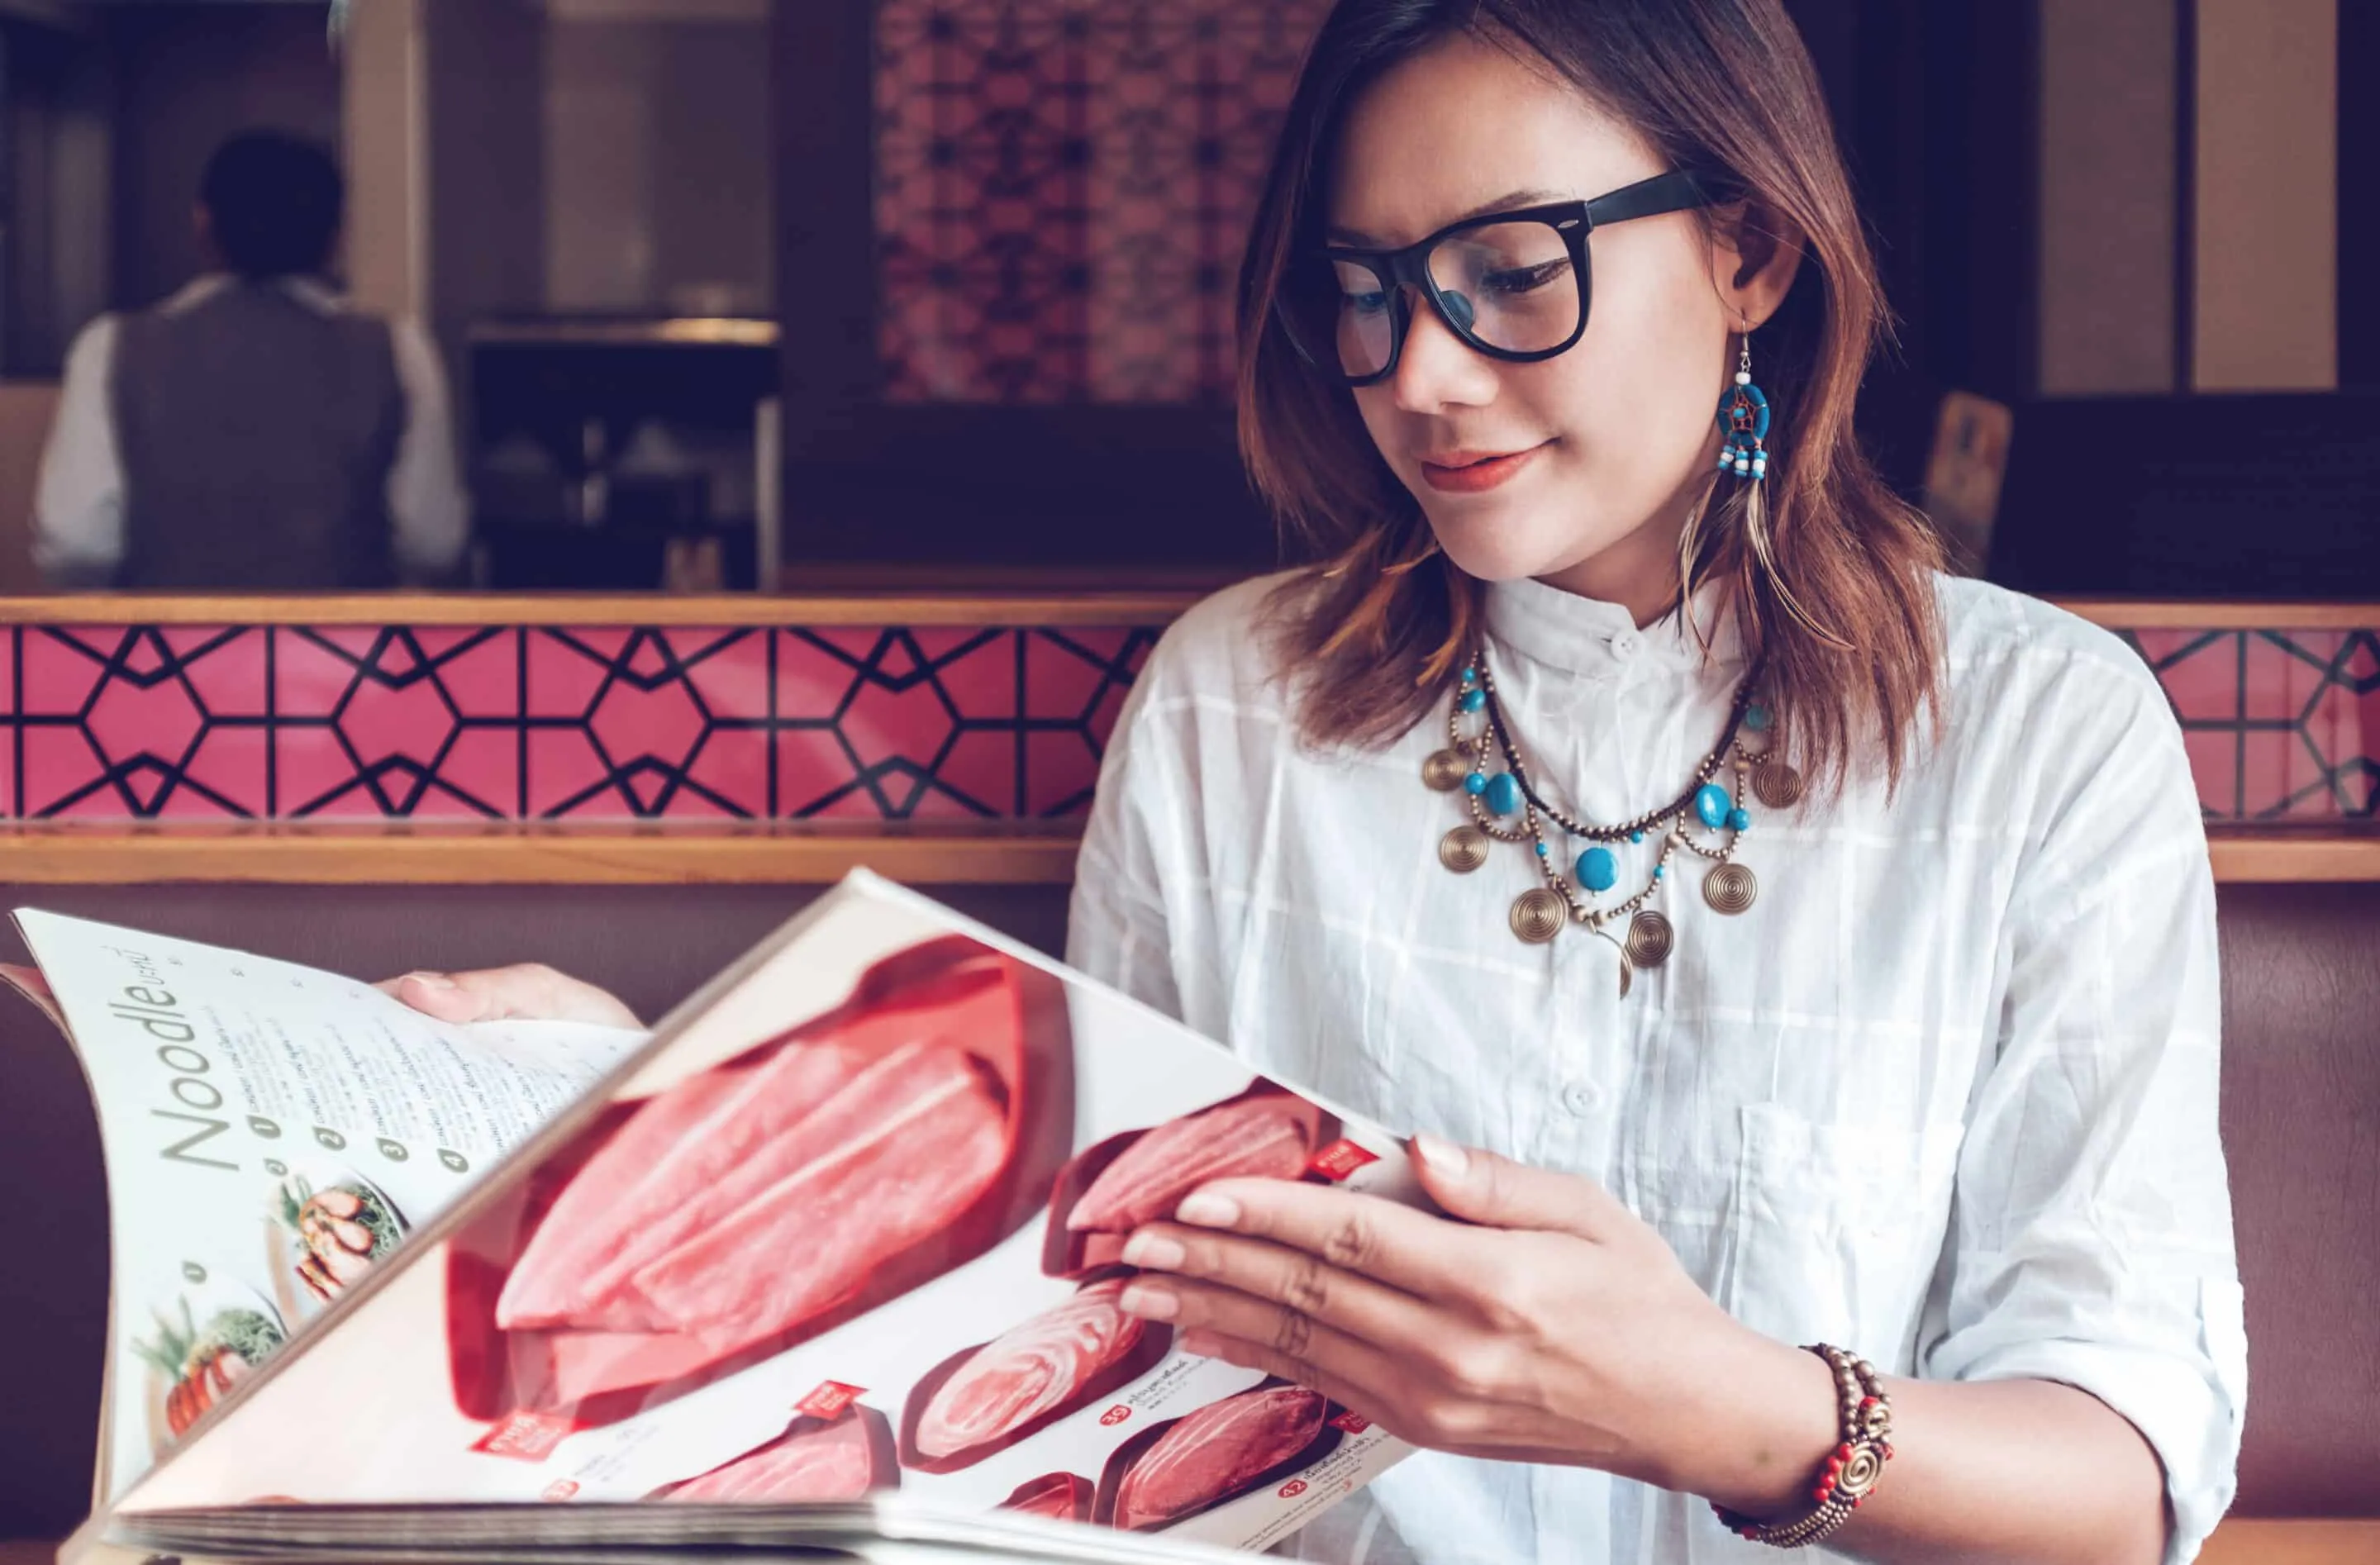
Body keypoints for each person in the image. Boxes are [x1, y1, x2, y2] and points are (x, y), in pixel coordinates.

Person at [388, 2, 2244, 1561]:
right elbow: (1081, 1322)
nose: (1419, 372)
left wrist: (1702, 1402)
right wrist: (656, 1106)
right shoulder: (1236, 707)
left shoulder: (2042, 737)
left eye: (1512, 274)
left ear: (1749, 251)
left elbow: (2127, 1470)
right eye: (1369, 292)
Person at [33, 129, 467, 588]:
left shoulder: (110, 347)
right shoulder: (398, 348)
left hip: (164, 632)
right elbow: (434, 543)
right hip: (347, 633)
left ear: (202, 222)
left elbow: (77, 542)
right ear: (336, 236)